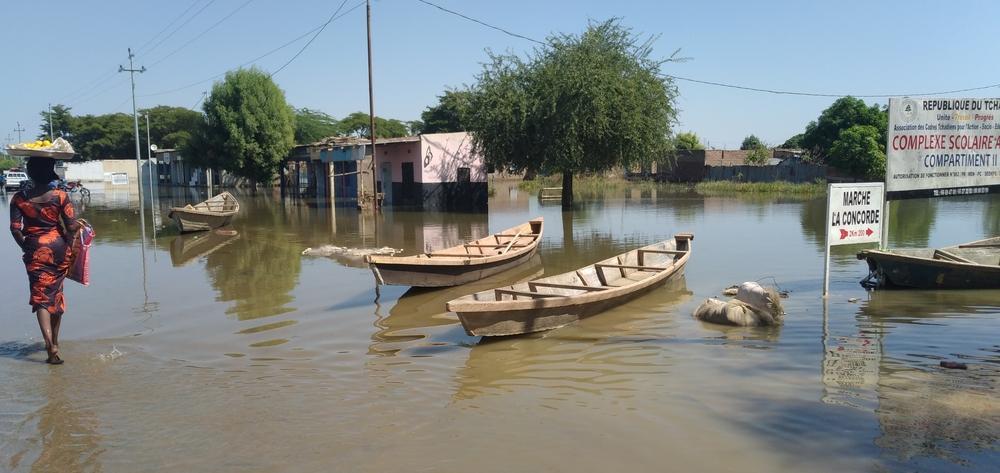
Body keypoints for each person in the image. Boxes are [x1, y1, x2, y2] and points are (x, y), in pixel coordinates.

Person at [9, 157, 79, 364]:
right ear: (50, 172)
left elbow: (15, 229)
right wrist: (75, 235)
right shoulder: (60, 196)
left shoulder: (19, 198)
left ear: (30, 173)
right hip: (58, 249)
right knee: (55, 295)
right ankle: (54, 341)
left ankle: (50, 344)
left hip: (34, 250)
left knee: (41, 297)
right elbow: (71, 226)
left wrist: (26, 247)